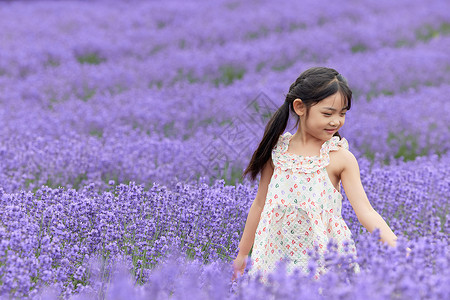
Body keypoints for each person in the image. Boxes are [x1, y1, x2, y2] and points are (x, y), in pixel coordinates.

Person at [231, 67, 411, 285]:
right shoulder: (277, 153)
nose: (336, 121)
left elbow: (366, 211)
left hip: (323, 255)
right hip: (275, 253)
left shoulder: (339, 158)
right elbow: (260, 205)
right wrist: (242, 255)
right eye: (328, 113)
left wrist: (400, 247)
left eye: (342, 114)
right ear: (299, 107)